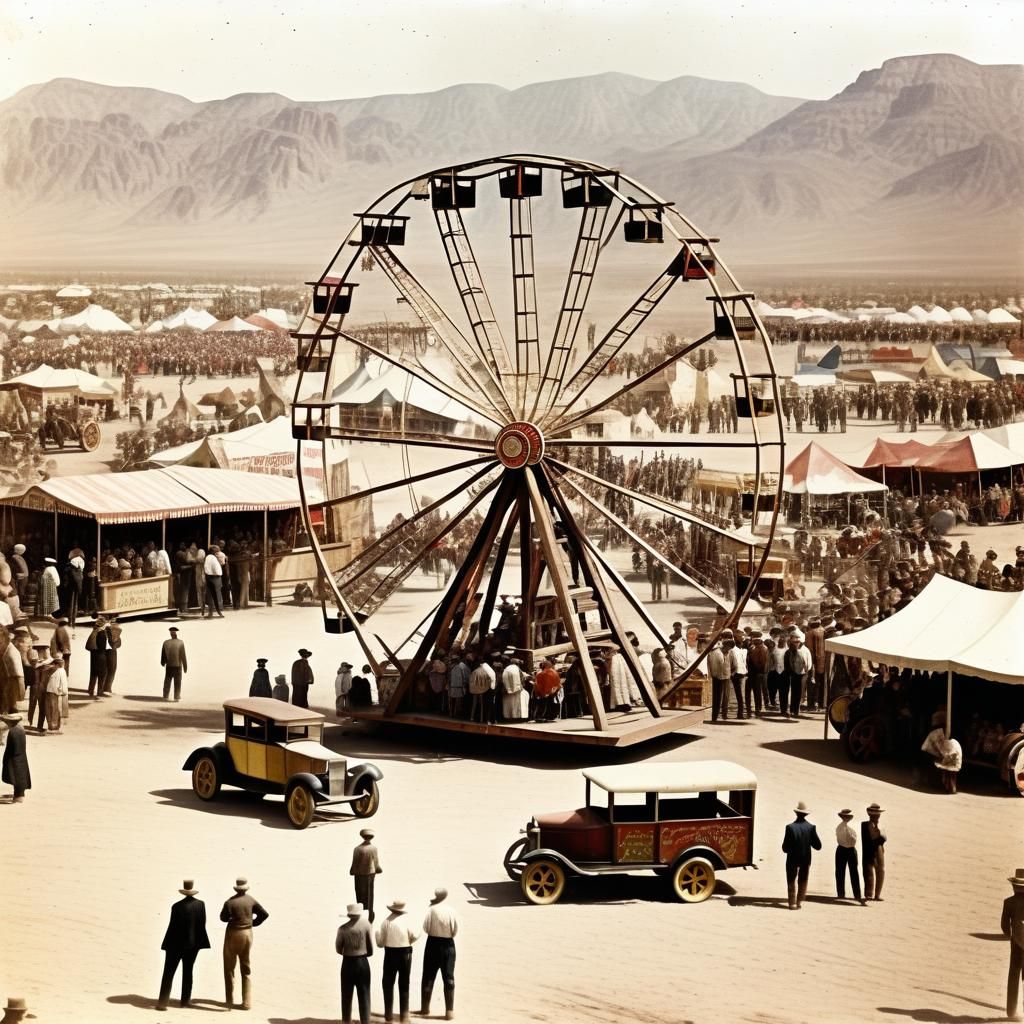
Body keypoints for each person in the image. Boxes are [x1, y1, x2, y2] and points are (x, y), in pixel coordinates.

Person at [157, 879, 211, 1011]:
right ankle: (185, 1001)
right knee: (188, 971)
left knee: (168, 972)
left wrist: (167, 944)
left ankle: (163, 1002)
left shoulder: (176, 906)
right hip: (193, 944)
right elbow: (201, 924)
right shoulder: (201, 905)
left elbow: (172, 926)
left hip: (175, 944)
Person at [220, 877, 269, 1011]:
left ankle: (229, 1000)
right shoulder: (251, 900)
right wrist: (253, 923)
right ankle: (247, 1002)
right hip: (247, 934)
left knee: (229, 967)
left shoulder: (230, 902)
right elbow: (264, 914)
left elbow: (223, 918)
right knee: (246, 966)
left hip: (233, 934)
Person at [376, 897, 419, 1024]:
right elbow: (416, 935)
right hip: (405, 953)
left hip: (390, 953)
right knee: (404, 984)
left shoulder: (386, 922)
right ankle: (404, 1016)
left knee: (388, 984)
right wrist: (409, 941)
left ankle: (388, 1015)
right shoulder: (408, 920)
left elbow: (380, 943)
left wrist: (377, 935)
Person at [420, 887, 458, 1021]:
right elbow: (455, 931)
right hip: (448, 945)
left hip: (432, 944)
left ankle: (425, 1009)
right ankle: (449, 1012)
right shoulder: (451, 911)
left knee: (428, 976)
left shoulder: (431, 910)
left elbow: (425, 928)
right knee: (448, 978)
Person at [337, 903, 374, 1024]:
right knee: (364, 993)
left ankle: (346, 1020)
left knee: (346, 994)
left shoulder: (343, 928)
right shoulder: (366, 925)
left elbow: (338, 949)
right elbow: (371, 949)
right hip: (362, 962)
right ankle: (365, 1021)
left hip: (347, 962)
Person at [782, 801, 821, 910]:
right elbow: (818, 846)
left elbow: (785, 848)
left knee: (791, 880)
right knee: (803, 880)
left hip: (792, 858)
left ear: (796, 813)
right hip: (805, 858)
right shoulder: (811, 827)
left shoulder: (790, 827)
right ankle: (799, 902)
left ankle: (792, 903)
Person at [1002, 867, 1024, 1021]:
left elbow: (1004, 925)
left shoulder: (1008, 902)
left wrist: (1011, 935)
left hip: (1016, 943)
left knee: (1014, 975)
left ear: (1013, 886)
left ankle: (1011, 1011)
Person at [351, 828, 382, 924]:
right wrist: (378, 869)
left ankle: (361, 913)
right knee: (369, 895)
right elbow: (376, 863)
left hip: (359, 875)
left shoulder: (357, 849)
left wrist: (352, 871)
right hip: (370, 874)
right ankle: (369, 915)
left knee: (360, 894)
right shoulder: (374, 849)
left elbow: (354, 863)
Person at [835, 809, 864, 903]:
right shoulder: (845, 826)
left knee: (845, 872)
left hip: (845, 849)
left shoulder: (841, 827)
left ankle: (846, 893)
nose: (847, 818)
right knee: (848, 872)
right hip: (848, 849)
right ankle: (853, 894)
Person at [1, 712, 31, 802]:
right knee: (20, 777)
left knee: (16, 777)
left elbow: (14, 748)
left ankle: (18, 797)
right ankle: (19, 794)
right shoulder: (19, 728)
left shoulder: (13, 731)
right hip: (20, 757)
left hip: (15, 759)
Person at [861, 803, 887, 900]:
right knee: (871, 870)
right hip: (873, 849)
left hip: (878, 848)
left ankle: (876, 894)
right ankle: (870, 894)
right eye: (876, 814)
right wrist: (881, 834)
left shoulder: (875, 825)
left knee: (880, 870)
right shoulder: (869, 825)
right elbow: (875, 836)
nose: (878, 815)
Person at [161, 626, 188, 701]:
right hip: (178, 665)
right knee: (177, 682)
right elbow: (183, 655)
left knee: (167, 680)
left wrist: (163, 662)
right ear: (176, 633)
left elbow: (163, 654)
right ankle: (176, 697)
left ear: (170, 634)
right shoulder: (180, 642)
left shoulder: (166, 642)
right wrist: (185, 666)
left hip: (169, 665)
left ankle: (165, 696)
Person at [44, 654, 68, 734]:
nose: (52, 666)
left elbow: (64, 683)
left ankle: (54, 725)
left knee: (54, 709)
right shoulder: (57, 671)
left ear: (57, 665)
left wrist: (61, 691)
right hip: (51, 692)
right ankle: (52, 725)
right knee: (52, 709)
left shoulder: (61, 671)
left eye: (53, 664)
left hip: (55, 693)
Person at [85, 615, 108, 699]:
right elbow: (102, 647)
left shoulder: (94, 631)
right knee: (102, 674)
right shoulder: (102, 633)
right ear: (103, 625)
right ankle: (99, 691)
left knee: (93, 673)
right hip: (100, 656)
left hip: (93, 655)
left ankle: (90, 690)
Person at [500, 656, 529, 721]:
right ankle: (519, 717)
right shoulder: (517, 669)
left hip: (507, 691)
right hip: (517, 691)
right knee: (519, 703)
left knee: (509, 705)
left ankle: (508, 717)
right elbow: (522, 679)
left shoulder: (506, 669)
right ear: (517, 664)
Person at [103, 612, 122, 694]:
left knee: (105, 670)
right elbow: (118, 644)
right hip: (112, 652)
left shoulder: (105, 629)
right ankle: (107, 688)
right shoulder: (117, 630)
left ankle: (103, 687)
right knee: (112, 670)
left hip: (104, 651)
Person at [203, 545, 224, 617]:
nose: (218, 553)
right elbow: (207, 568)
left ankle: (217, 611)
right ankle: (212, 612)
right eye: (217, 551)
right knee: (212, 595)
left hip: (216, 577)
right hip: (213, 577)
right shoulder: (209, 557)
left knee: (216, 595)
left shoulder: (214, 557)